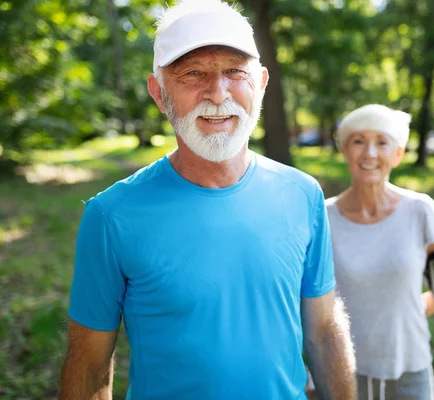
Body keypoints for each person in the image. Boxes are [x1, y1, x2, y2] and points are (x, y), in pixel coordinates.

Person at [59, 1, 356, 399]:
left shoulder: (303, 194)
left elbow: (322, 330)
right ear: (159, 93)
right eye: (193, 73)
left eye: (235, 71)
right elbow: (91, 368)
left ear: (262, 83)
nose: (217, 94)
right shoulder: (112, 215)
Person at [325, 104, 434, 400]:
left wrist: (399, 315)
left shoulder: (421, 210)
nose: (370, 153)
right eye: (358, 141)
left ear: (397, 154)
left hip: (410, 366)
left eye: (382, 142)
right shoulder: (322, 216)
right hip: (344, 370)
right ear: (345, 151)